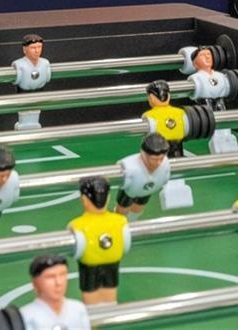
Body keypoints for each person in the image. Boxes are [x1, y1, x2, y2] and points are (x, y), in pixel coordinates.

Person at [68, 176, 130, 304]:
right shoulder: (120, 221)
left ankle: (97, 315)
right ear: (109, 197)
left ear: (84, 199)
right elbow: (126, 245)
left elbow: (75, 251)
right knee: (108, 294)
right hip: (110, 264)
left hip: (90, 266)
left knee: (93, 295)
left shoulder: (77, 225)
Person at [18, 253, 90, 330]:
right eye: (50, 277)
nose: (58, 282)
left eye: (62, 275)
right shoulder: (25, 317)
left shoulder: (78, 309)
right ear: (35, 283)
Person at [115, 133, 172, 216]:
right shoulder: (129, 168)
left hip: (146, 191)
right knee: (123, 210)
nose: (159, 163)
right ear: (143, 154)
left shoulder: (165, 165)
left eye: (161, 158)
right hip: (130, 192)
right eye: (154, 159)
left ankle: (132, 221)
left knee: (137, 209)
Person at [12, 35, 51, 130]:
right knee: (24, 117)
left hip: (38, 94)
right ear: (25, 49)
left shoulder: (45, 63)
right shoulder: (18, 65)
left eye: (39, 47)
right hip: (23, 95)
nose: (37, 51)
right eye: (33, 48)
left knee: (35, 115)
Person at [142, 80, 187, 157]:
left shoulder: (148, 116)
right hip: (178, 153)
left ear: (151, 98)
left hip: (158, 155)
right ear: (169, 96)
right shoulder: (181, 112)